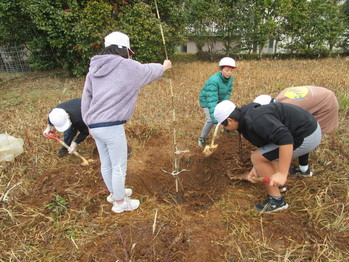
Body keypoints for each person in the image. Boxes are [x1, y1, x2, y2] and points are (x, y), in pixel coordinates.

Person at [81, 31, 172, 214]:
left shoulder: (94, 69)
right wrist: (164, 67)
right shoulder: (126, 66)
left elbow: (86, 97)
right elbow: (147, 71)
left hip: (95, 125)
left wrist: (88, 124)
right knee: (119, 166)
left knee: (106, 164)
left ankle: (115, 193)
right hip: (112, 126)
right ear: (124, 49)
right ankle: (121, 203)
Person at [214, 100, 322, 213]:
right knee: (261, 157)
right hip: (305, 129)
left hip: (307, 135)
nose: (225, 128)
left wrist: (282, 173)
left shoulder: (255, 120)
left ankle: (276, 201)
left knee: (256, 157)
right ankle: (279, 186)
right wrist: (257, 168)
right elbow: (268, 147)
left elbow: (286, 139)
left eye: (223, 125)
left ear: (230, 120)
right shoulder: (246, 119)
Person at [254, 86, 338, 177]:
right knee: (301, 133)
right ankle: (303, 169)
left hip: (326, 103)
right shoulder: (280, 103)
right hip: (319, 95)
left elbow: (287, 137)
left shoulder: (290, 110)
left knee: (306, 133)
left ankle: (303, 169)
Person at [198, 57, 236, 147]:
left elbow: (228, 92)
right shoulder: (214, 81)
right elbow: (212, 101)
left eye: (231, 70)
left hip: (219, 100)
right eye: (227, 70)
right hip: (207, 101)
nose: (229, 72)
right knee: (211, 120)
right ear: (221, 70)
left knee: (228, 111)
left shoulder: (230, 79)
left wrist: (224, 104)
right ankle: (201, 138)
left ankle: (226, 128)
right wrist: (215, 117)